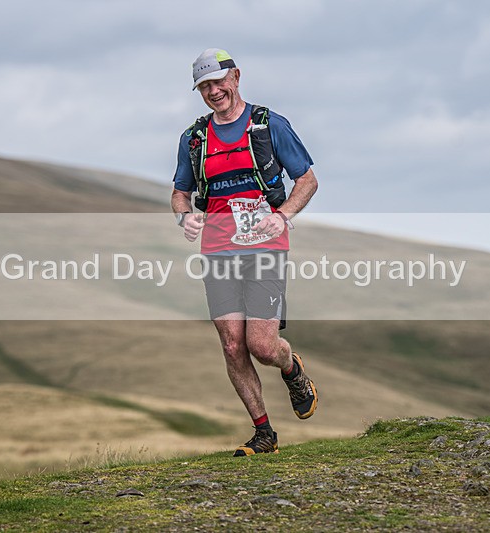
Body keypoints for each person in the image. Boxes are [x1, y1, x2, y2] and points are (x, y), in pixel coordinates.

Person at [171, 48, 319, 457]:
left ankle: (291, 369)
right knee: (232, 345)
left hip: (265, 246)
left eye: (219, 82)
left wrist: (284, 214)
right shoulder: (194, 138)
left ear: (236, 77)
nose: (213, 91)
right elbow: (180, 193)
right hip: (217, 249)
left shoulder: (269, 126)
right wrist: (185, 218)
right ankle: (264, 433)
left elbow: (307, 180)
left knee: (262, 345)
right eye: (204, 86)